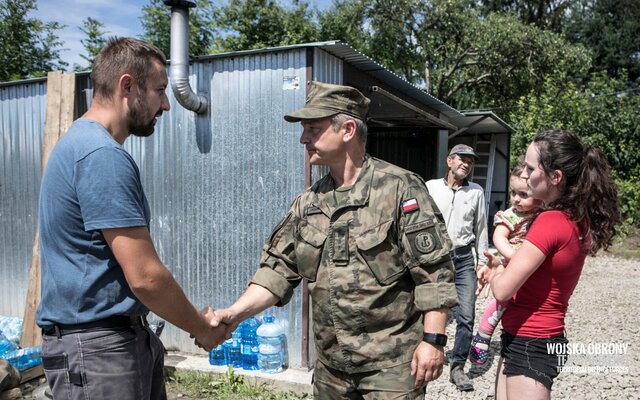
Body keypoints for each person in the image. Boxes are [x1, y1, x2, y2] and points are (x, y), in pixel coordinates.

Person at [208, 81, 458, 399]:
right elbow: (275, 273)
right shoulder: (308, 203)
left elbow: (433, 272)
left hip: (390, 369)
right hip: (331, 371)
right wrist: (232, 314)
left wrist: (433, 341)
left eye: (313, 129)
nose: (304, 138)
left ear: (347, 129)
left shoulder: (399, 189)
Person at [36, 37, 225, 400]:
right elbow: (146, 277)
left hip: (109, 343)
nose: (166, 105)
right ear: (127, 86)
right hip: (99, 354)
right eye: (160, 91)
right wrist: (201, 327)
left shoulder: (82, 145)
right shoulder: (100, 155)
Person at [478, 129, 620, 399]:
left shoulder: (550, 221)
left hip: (530, 341)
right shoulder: (577, 218)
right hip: (536, 336)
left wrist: (497, 270)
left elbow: (502, 290)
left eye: (531, 168)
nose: (525, 175)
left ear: (555, 177)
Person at [425, 144, 489, 391]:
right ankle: (424, 354)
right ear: (449, 161)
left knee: (466, 315)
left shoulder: (476, 192)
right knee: (428, 309)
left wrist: (482, 263)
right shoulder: (431, 187)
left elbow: (481, 228)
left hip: (463, 260)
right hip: (436, 258)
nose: (466, 164)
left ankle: (457, 367)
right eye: (462, 159)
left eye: (470, 161)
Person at [468, 162, 542, 365]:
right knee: (499, 305)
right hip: (513, 264)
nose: (516, 199)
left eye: (523, 194)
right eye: (513, 193)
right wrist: (513, 255)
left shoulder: (542, 213)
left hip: (531, 268)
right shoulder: (511, 215)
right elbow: (499, 237)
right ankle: (482, 337)